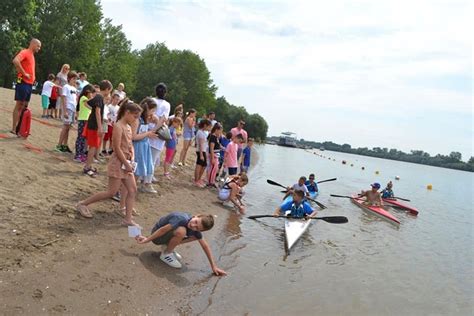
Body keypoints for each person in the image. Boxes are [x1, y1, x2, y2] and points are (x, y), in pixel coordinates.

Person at [77, 101, 141, 226]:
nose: (135, 119)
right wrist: (126, 163)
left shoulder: (127, 126)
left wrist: (131, 157)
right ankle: (82, 204)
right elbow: (116, 148)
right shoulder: (118, 126)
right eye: (134, 116)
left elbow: (129, 144)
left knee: (132, 190)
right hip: (118, 163)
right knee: (111, 192)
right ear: (127, 113)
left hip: (126, 162)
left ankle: (128, 220)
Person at [135, 212, 227, 275]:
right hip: (158, 236)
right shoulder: (181, 218)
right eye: (195, 222)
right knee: (181, 231)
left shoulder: (195, 229)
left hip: (166, 236)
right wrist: (147, 240)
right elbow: (162, 230)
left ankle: (168, 247)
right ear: (196, 216)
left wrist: (213, 267)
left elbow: (205, 246)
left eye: (197, 228)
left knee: (196, 236)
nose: (193, 225)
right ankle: (166, 254)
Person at [83, 80, 113, 177]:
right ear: (107, 89)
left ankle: (89, 165)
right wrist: (100, 127)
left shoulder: (97, 97)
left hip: (92, 124)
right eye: (109, 90)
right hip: (94, 126)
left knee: (93, 146)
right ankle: (87, 167)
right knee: (92, 147)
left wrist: (91, 109)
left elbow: (86, 103)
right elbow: (97, 112)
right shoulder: (100, 98)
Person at [11, 38, 41, 134]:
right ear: (32, 44)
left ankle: (20, 128)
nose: (39, 48)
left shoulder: (32, 55)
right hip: (23, 83)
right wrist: (24, 73)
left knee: (24, 106)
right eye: (38, 46)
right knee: (19, 104)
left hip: (29, 85)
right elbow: (15, 61)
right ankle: (14, 128)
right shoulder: (25, 52)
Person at [132, 98, 158, 193]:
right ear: (147, 109)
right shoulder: (137, 120)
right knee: (134, 171)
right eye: (153, 110)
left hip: (143, 147)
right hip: (137, 147)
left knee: (138, 171)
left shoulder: (145, 120)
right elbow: (133, 136)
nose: (154, 113)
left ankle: (131, 190)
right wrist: (147, 134)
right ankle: (127, 190)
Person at [149, 83, 171, 182]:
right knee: (153, 159)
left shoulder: (151, 100)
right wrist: (154, 130)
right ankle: (147, 181)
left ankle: (145, 177)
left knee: (146, 156)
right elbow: (163, 119)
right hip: (158, 132)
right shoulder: (166, 104)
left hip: (146, 129)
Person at [55, 71, 78, 153]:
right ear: (69, 78)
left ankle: (65, 145)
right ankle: (59, 145)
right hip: (67, 108)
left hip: (72, 109)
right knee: (65, 127)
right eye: (73, 78)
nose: (75, 80)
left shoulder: (75, 89)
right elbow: (63, 98)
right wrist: (65, 111)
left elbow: (75, 100)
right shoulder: (66, 87)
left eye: (76, 79)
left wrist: (75, 112)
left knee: (68, 128)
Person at [74, 84, 95, 162]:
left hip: (87, 120)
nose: (92, 95)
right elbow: (88, 104)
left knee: (84, 138)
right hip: (83, 119)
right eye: (91, 93)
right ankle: (77, 154)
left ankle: (82, 153)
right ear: (87, 92)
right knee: (80, 137)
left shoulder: (86, 98)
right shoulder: (83, 98)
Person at [194, 119, 212, 187]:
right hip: (200, 151)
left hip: (203, 150)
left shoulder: (204, 132)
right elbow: (201, 144)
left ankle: (198, 179)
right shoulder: (200, 133)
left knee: (204, 165)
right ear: (205, 125)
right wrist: (201, 154)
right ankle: (196, 180)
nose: (209, 128)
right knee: (199, 165)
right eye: (209, 126)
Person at [207, 123, 223, 187]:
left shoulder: (216, 137)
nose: (220, 132)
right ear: (216, 130)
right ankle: (210, 182)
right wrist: (212, 157)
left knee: (215, 169)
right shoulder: (213, 137)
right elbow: (211, 147)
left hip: (216, 155)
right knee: (213, 169)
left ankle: (212, 181)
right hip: (214, 155)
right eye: (220, 131)